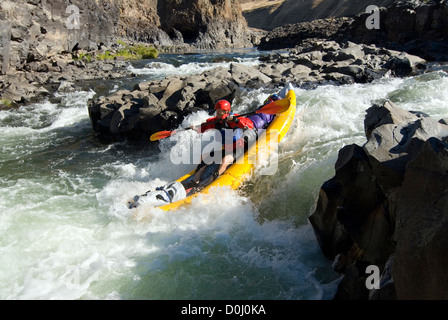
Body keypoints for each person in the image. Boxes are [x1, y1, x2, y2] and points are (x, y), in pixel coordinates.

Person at [182, 99, 256, 190]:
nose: (217, 113)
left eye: (219, 111)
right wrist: (195, 128)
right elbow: (204, 127)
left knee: (224, 161)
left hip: (239, 149)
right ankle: (195, 181)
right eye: (216, 111)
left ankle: (208, 183)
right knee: (203, 156)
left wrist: (236, 120)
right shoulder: (216, 121)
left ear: (226, 111)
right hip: (227, 149)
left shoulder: (234, 118)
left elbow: (248, 125)